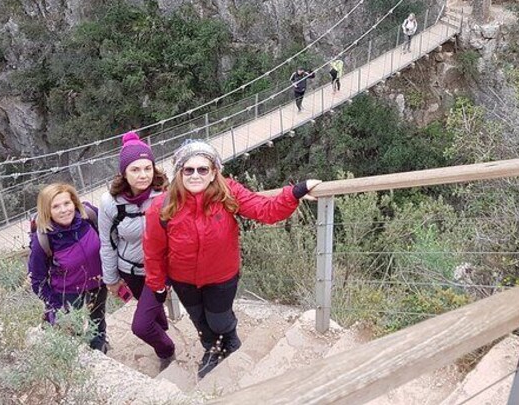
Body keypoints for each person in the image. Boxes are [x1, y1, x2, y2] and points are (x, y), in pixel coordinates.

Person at [143, 139, 321, 379]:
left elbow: (265, 211)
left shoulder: (228, 193)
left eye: (203, 169)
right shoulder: (161, 206)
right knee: (200, 321)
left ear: (214, 172)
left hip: (221, 277)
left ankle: (229, 338)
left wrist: (295, 192)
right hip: (183, 280)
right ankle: (212, 350)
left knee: (218, 320)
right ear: (179, 173)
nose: (195, 175)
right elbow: (154, 250)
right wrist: (156, 285)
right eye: (189, 169)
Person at [99, 131, 175, 370]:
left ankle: (167, 350)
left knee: (140, 326)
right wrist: (111, 279)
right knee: (153, 315)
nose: (143, 175)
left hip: (159, 271)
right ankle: (161, 333)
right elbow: (107, 243)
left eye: (147, 168)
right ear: (124, 173)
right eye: (135, 169)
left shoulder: (166, 195)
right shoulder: (110, 203)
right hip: (130, 270)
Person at [28, 183, 108, 352]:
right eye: (55, 206)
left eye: (67, 203)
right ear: (46, 210)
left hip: (98, 283)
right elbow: (37, 280)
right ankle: (77, 359)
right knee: (72, 330)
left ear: (74, 202)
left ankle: (100, 351)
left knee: (98, 321)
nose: (64, 210)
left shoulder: (89, 217)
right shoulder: (42, 239)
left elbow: (109, 238)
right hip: (67, 292)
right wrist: (55, 304)